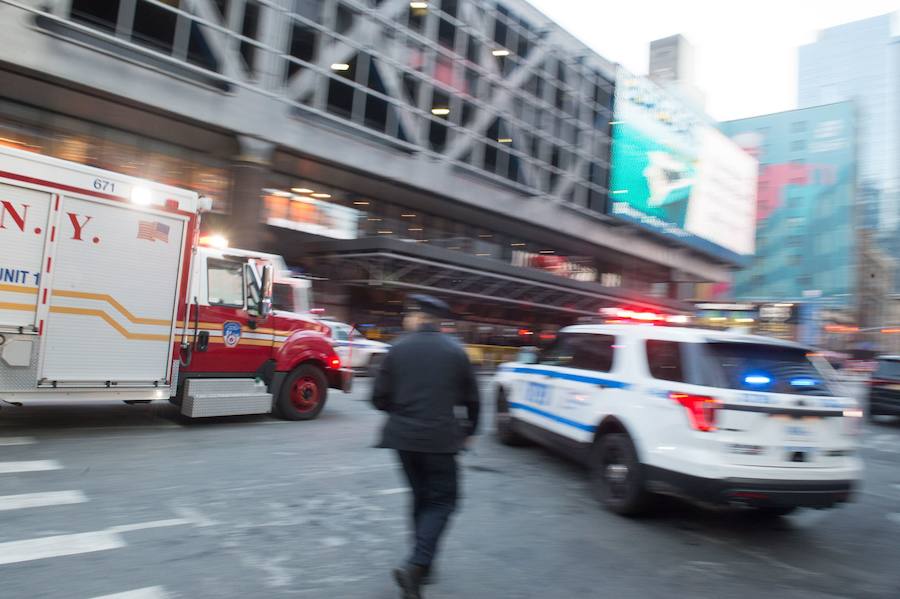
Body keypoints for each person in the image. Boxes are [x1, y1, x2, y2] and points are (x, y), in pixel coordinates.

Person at [371, 294, 481, 599]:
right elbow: (472, 399)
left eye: (408, 313)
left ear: (419, 317)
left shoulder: (397, 349)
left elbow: (378, 398)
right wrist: (470, 430)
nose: (405, 318)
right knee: (443, 501)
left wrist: (404, 410)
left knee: (421, 498)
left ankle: (420, 569)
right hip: (440, 439)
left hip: (402, 439)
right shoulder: (457, 351)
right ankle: (417, 565)